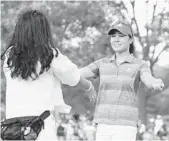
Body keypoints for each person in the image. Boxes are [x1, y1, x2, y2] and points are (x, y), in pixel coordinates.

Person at [1, 10, 96, 140]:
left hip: (12, 130)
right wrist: (89, 86)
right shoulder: (50, 55)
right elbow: (73, 76)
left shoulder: (9, 56)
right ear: (43, 32)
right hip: (39, 129)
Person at [80, 20, 165, 141]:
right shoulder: (101, 63)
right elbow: (76, 74)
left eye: (121, 36)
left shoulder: (140, 64)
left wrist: (155, 82)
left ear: (130, 40)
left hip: (125, 126)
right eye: (113, 36)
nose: (116, 39)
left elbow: (148, 78)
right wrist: (88, 87)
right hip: (103, 123)